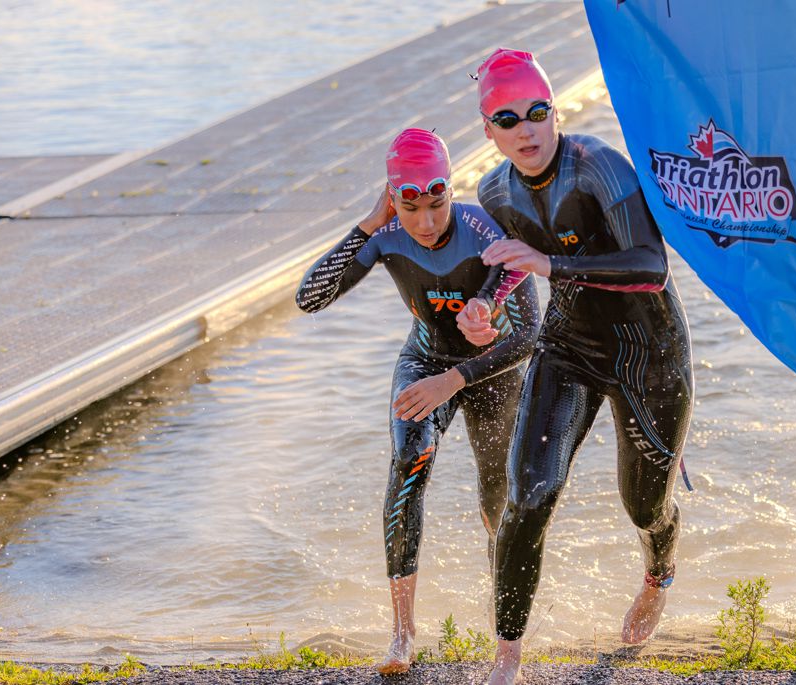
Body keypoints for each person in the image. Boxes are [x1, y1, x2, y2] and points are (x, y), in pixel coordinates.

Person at [457, 48, 694, 685]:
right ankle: (507, 659)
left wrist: (552, 266)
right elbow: (512, 263)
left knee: (644, 505)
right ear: (489, 132)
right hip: (569, 349)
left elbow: (651, 267)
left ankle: (658, 571)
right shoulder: (494, 190)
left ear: (554, 111)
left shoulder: (598, 168)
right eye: (508, 120)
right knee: (528, 496)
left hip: (650, 354)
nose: (526, 130)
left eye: (537, 112)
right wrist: (483, 307)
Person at [295, 128, 540, 675]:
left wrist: (455, 379)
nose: (426, 224)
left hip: (492, 370)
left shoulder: (485, 229)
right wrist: (367, 223)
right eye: (409, 207)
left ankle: (503, 632)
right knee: (411, 460)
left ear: (450, 191)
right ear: (392, 199)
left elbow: (527, 337)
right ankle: (402, 633)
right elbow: (308, 298)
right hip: (424, 361)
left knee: (498, 493)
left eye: (437, 203)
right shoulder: (385, 234)